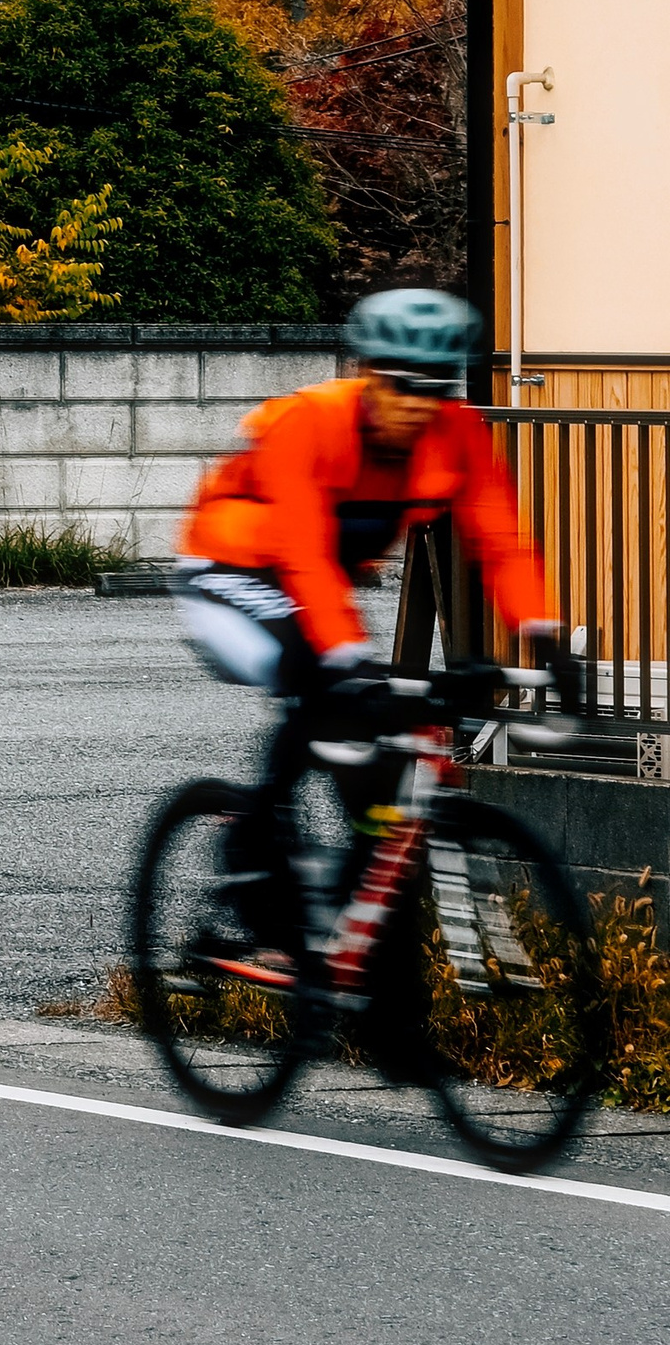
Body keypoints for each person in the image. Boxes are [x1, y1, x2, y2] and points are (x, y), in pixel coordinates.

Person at [173, 289, 567, 948]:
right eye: (402, 384)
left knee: (381, 766)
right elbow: (302, 551)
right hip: (231, 574)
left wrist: (547, 638)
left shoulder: (456, 432)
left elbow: (502, 541)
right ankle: (252, 843)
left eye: (437, 387)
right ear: (367, 373)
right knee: (316, 675)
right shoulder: (306, 423)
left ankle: (354, 930)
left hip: (317, 584)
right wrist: (347, 658)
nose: (418, 403)